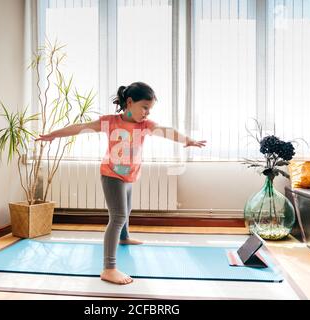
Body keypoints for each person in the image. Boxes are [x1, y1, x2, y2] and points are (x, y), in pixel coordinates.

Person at [36, 82, 206, 285]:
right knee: (117, 217)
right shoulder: (109, 122)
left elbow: (166, 130)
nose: (146, 113)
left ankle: (124, 237)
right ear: (130, 102)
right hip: (111, 175)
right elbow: (81, 128)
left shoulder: (145, 125)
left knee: (127, 210)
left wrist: (186, 140)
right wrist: (54, 134)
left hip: (129, 175)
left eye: (149, 109)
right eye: (144, 107)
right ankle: (109, 268)